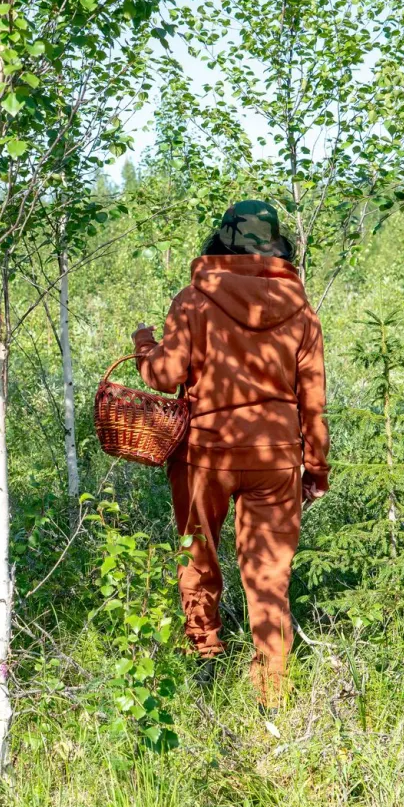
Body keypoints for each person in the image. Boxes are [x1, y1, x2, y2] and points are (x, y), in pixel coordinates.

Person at [132, 200, 328, 708]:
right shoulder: (301, 310)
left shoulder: (193, 300)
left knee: (197, 553)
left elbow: (164, 376)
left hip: (205, 454)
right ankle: (272, 690)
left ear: (222, 240)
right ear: (276, 245)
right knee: (269, 574)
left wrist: (144, 345)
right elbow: (313, 401)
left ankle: (205, 658)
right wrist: (316, 467)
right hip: (275, 456)